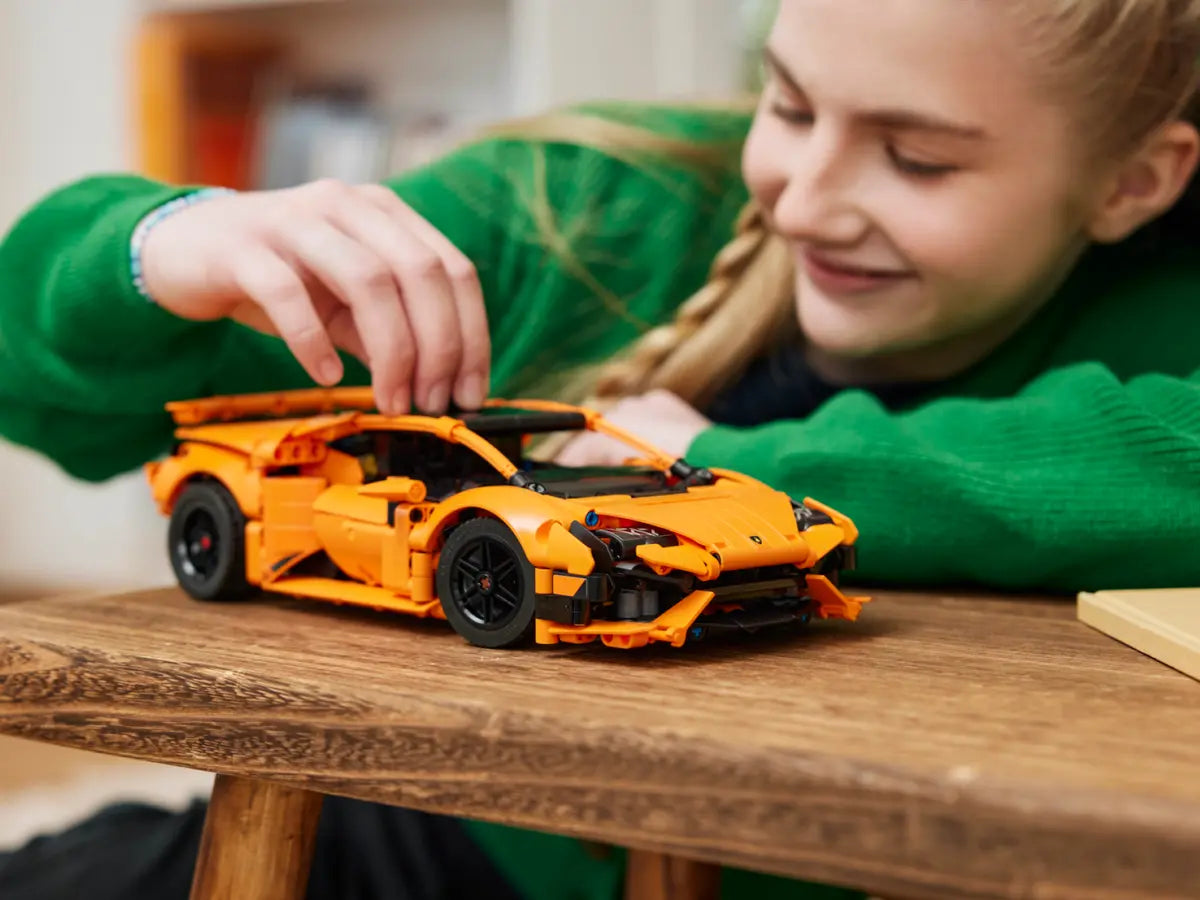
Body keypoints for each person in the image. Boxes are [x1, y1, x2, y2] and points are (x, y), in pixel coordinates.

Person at [1, 0, 1198, 897]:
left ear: (1136, 183)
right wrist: (159, 248)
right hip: (429, 838)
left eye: (918, 157)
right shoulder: (581, 212)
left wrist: (744, 464)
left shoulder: (1157, 304)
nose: (801, 197)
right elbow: (49, 397)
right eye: (786, 105)